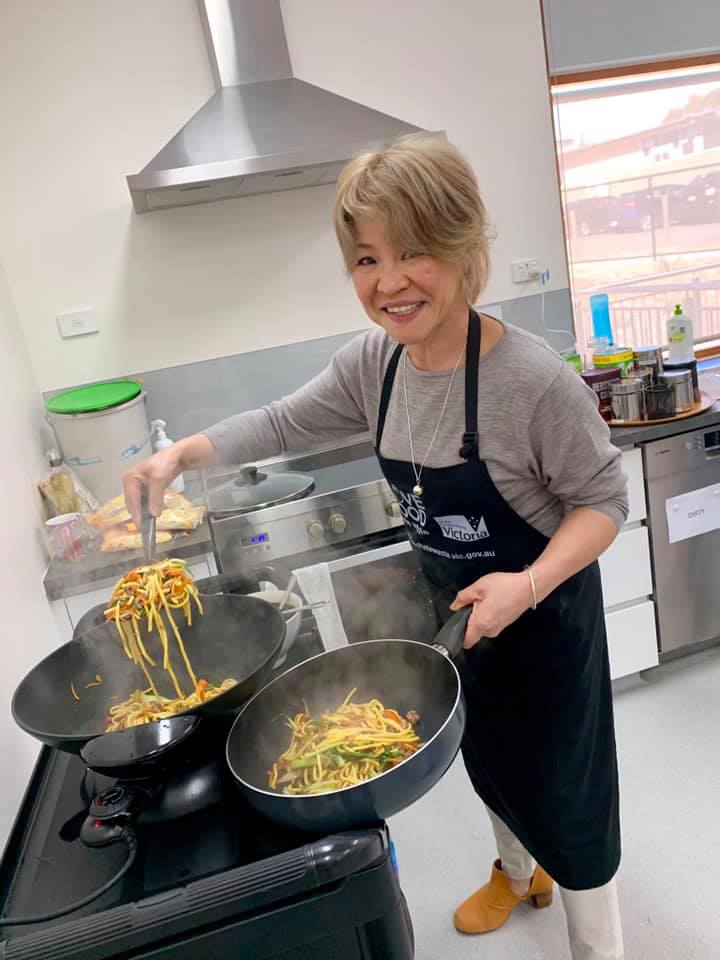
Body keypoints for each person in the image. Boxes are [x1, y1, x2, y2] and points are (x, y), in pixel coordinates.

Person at [124, 135, 627, 960]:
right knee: (490, 765)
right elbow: (283, 422)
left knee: (572, 800)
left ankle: (595, 942)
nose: (388, 282)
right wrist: (182, 453)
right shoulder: (376, 366)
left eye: (415, 252)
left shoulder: (532, 381)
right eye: (366, 259)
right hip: (456, 623)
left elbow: (604, 500)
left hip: (543, 627)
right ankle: (516, 871)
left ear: (466, 251)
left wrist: (527, 585)